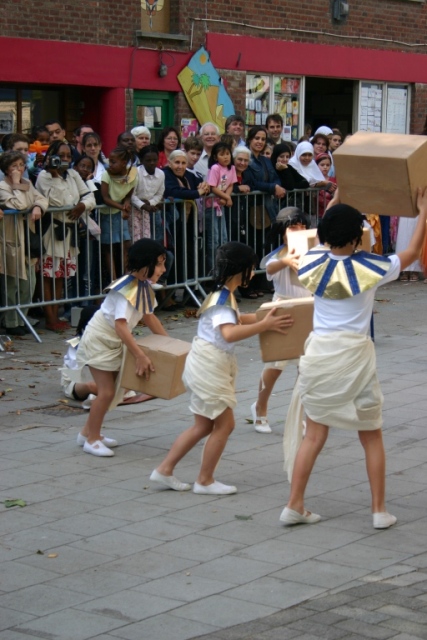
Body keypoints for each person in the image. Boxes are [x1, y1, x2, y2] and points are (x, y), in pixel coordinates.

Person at [280, 189, 427, 529]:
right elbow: (411, 252)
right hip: (356, 359)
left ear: (327, 233)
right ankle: (378, 511)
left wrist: (339, 196)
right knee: (371, 434)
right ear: (358, 234)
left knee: (314, 435)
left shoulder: (310, 260)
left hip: (318, 356)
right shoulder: (372, 266)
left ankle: (294, 504)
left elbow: (319, 232)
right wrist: (423, 212)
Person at [150, 241, 294, 493]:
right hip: (209, 366)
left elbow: (237, 320)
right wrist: (265, 326)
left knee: (204, 425)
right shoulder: (222, 297)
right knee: (225, 425)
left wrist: (266, 317)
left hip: (207, 364)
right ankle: (204, 481)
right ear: (243, 269)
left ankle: (164, 470)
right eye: (250, 267)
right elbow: (229, 333)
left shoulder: (223, 296)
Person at [75, 238, 168, 456]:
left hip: (114, 341)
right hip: (101, 340)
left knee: (117, 389)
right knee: (107, 392)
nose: (163, 269)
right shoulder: (127, 290)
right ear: (146, 265)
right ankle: (93, 439)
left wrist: (172, 345)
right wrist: (139, 355)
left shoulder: (143, 287)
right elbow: (121, 326)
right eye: (160, 263)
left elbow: (149, 317)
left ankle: (86, 433)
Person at [251, 208, 309, 433]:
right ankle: (260, 408)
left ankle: (299, 415)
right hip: (282, 310)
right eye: (293, 227)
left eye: (303, 227)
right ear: (283, 231)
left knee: (306, 368)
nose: (299, 231)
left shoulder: (313, 251)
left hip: (307, 309)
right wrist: (287, 261)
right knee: (275, 366)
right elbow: (270, 267)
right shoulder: (278, 255)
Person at [35, 141, 96, 331]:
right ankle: (50, 318)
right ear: (51, 155)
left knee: (60, 275)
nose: (65, 159)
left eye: (68, 156)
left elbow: (89, 197)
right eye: (60, 156)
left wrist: (82, 206)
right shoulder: (43, 177)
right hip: (52, 232)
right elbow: (57, 201)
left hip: (69, 233)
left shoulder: (73, 174)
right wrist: (54, 175)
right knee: (48, 275)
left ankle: (56, 314)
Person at [0, 151, 48, 335]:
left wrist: (37, 206)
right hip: (12, 241)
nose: (19, 169)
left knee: (29, 282)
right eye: (14, 166)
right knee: (13, 284)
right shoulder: (3, 187)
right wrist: (16, 183)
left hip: (28, 239)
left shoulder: (28, 184)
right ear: (6, 169)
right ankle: (11, 321)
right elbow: (19, 205)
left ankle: (23, 318)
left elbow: (42, 199)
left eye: (21, 165)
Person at [100, 147, 138, 283]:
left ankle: (127, 275)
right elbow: (105, 198)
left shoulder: (133, 174)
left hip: (119, 212)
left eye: (113, 162)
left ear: (124, 163)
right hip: (107, 214)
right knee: (109, 247)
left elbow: (129, 194)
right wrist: (122, 207)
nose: (110, 164)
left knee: (125, 243)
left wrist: (127, 203)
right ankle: (113, 279)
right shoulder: (106, 174)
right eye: (110, 161)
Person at [204, 142, 237, 271]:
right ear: (215, 157)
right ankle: (214, 270)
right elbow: (212, 187)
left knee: (223, 238)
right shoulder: (215, 168)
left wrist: (226, 197)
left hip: (221, 206)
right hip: (211, 207)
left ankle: (223, 267)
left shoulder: (231, 168)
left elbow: (230, 185)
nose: (225, 157)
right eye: (222, 155)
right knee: (214, 240)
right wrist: (226, 197)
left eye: (227, 154)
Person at [60, 305, 98, 406]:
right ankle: (111, 394)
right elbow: (78, 374)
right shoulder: (77, 344)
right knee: (91, 386)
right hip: (77, 383)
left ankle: (107, 394)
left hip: (103, 380)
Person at [131, 144, 165, 241]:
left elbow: (159, 193)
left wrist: (150, 203)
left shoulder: (161, 174)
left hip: (149, 209)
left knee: (147, 237)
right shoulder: (135, 173)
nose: (152, 163)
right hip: (133, 210)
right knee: (135, 238)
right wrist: (143, 205)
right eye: (148, 160)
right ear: (141, 161)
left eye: (154, 160)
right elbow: (131, 195)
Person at [315, 152, 337, 218]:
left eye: (328, 165)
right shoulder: (314, 180)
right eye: (322, 165)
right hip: (317, 214)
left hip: (332, 213)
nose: (325, 167)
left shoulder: (334, 180)